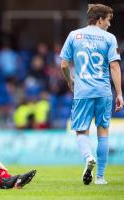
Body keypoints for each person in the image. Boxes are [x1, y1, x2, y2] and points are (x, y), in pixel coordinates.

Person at [60, 4, 123, 185]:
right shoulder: (110, 38)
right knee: (103, 132)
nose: (109, 24)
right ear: (100, 19)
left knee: (81, 131)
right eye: (108, 20)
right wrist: (119, 94)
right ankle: (101, 178)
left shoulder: (74, 35)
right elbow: (114, 66)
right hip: (104, 92)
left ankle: (88, 157)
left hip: (83, 92)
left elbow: (64, 64)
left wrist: (69, 81)